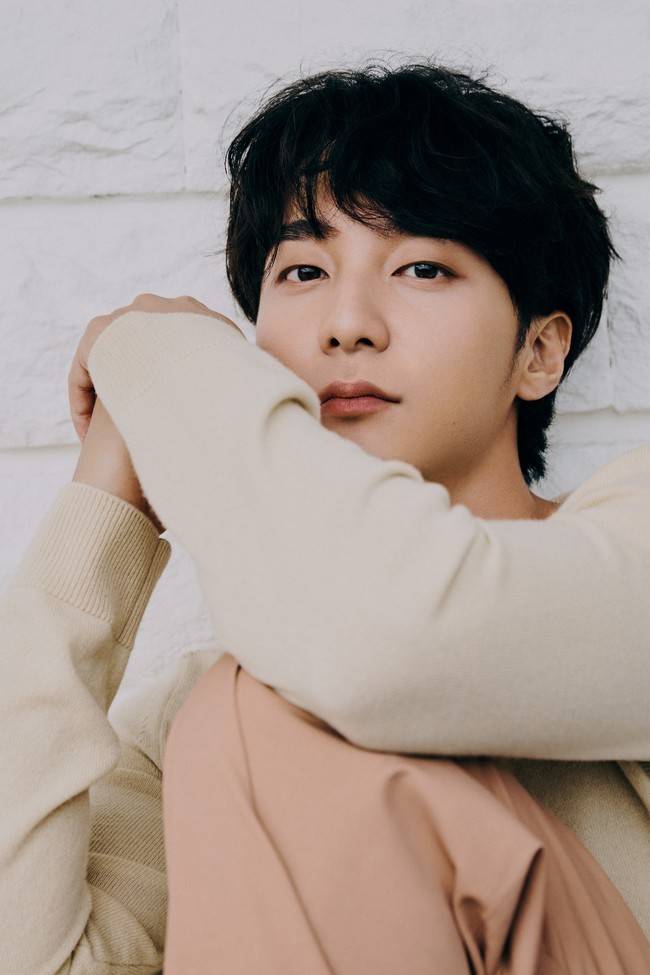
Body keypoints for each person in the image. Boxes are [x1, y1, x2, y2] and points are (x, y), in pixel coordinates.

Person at [1, 58, 649, 974]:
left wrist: (162, 362)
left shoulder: (630, 539)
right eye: (304, 270)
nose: (348, 323)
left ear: (539, 351)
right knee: (238, 711)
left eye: (422, 267)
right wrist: (109, 498)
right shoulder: (199, 725)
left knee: (261, 713)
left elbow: (385, 641)